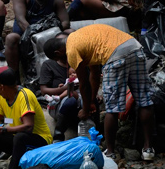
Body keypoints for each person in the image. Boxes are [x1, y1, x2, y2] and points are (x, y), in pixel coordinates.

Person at [60, 25, 154, 160]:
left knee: (112, 108)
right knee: (144, 101)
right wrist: (92, 100)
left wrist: (85, 109)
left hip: (115, 56)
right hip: (135, 47)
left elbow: (84, 84)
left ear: (57, 53)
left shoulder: (71, 50)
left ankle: (110, 152)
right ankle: (148, 149)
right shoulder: (85, 37)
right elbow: (95, 73)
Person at [0, 67, 52, 169]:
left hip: (39, 142)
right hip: (17, 143)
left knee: (20, 137)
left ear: (2, 86)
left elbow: (28, 127)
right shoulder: (0, 95)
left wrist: (3, 130)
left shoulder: (25, 95)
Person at [5, 0, 70, 73]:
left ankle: (68, 69)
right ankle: (13, 75)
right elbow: (21, 20)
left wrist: (50, 32)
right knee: (11, 38)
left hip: (48, 35)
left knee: (70, 33)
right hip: (24, 35)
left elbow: (65, 23)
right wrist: (35, 35)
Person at [42, 34, 80, 142]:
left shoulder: (77, 60)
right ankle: (58, 136)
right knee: (71, 98)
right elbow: (44, 90)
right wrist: (64, 88)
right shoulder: (49, 65)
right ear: (57, 53)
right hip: (60, 104)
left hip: (80, 99)